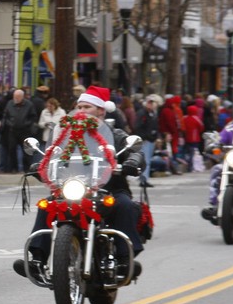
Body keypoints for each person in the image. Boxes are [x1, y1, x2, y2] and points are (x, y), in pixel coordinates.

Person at [15, 86, 146, 280]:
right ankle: (38, 260)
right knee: (46, 206)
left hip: (108, 188)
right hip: (71, 187)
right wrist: (39, 164)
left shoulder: (115, 134)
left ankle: (124, 260)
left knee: (125, 205)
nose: (82, 111)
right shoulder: (66, 135)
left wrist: (132, 162)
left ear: (101, 110)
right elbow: (50, 152)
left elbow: (136, 151)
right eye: (80, 107)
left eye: (88, 107)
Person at [0, 89, 37, 173]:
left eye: (17, 97)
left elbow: (33, 117)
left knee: (26, 151)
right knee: (12, 149)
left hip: (25, 131)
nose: (16, 99)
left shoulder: (29, 105)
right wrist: (10, 123)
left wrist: (26, 123)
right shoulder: (10, 104)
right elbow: (6, 116)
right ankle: (14, 168)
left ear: (22, 97)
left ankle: (26, 168)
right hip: (13, 130)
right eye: (14, 97)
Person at [134, 95, 160, 187]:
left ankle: (144, 178)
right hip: (145, 139)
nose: (152, 105)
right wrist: (143, 137)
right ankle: (143, 179)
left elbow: (155, 125)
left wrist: (156, 136)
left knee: (147, 160)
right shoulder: (142, 113)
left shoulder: (153, 113)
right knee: (145, 160)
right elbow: (137, 126)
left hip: (151, 139)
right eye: (150, 102)